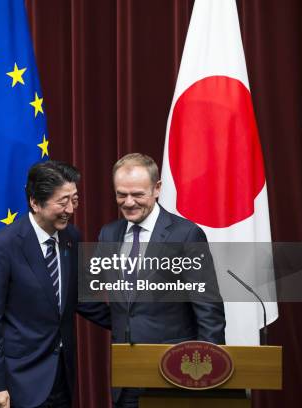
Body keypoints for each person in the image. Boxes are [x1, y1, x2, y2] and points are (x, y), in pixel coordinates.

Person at [0, 161, 111, 408]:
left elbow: (80, 299)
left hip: (62, 376)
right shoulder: (3, 246)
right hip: (20, 380)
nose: (70, 209)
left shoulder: (72, 237)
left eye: (75, 199)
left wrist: (132, 321)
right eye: (62, 202)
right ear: (35, 203)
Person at [98, 153, 226, 408]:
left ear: (157, 189)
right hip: (126, 377)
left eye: (137, 194)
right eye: (121, 194)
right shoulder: (108, 234)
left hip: (175, 375)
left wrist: (208, 376)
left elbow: (208, 310)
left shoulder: (186, 234)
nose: (129, 202)